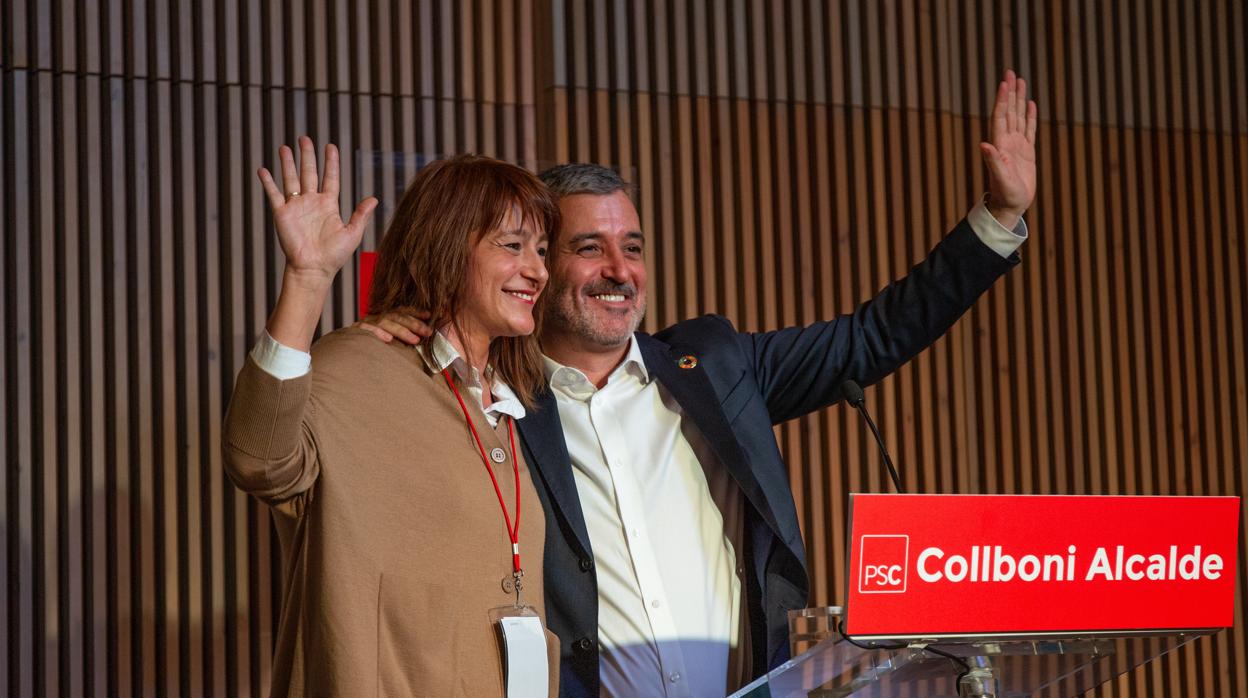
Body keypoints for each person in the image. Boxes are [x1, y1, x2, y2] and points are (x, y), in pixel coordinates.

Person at [361, 71, 1038, 696]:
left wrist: (997, 220)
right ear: (539, 265)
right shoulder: (493, 402)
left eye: (633, 246)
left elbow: (872, 335)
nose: (620, 270)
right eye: (588, 247)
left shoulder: (714, 366)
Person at [222, 138, 561, 695]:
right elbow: (257, 461)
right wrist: (307, 282)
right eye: (512, 245)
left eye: (543, 251)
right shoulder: (357, 365)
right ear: (449, 247)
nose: (537, 270)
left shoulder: (516, 401)